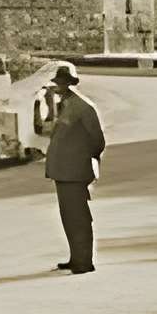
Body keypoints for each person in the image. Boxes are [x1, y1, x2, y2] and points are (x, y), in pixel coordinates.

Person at [34, 62, 107, 273]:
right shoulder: (66, 105)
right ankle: (76, 257)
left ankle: (84, 261)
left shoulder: (82, 108)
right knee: (69, 217)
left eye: (59, 83)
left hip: (75, 172)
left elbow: (97, 141)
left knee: (78, 217)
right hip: (64, 172)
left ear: (68, 84)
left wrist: (83, 161)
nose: (55, 87)